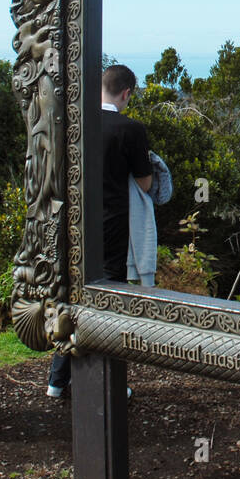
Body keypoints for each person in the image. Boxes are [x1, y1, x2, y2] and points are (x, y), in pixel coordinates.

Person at [47, 64, 153, 397]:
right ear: (126, 93)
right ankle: (110, 384)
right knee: (110, 302)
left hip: (74, 221)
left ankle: (57, 379)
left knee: (73, 297)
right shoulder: (130, 129)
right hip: (112, 225)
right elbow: (145, 182)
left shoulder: (79, 123)